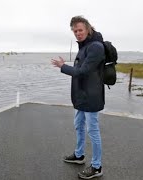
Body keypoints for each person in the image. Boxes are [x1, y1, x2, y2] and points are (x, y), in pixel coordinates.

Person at [51, 16, 105, 179]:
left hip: (91, 97)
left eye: (80, 30)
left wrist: (63, 66)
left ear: (88, 29)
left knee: (93, 131)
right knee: (78, 125)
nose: (77, 33)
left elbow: (83, 72)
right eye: (75, 31)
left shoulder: (96, 47)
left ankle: (97, 166)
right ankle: (79, 155)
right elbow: (79, 71)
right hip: (81, 96)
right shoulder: (84, 47)